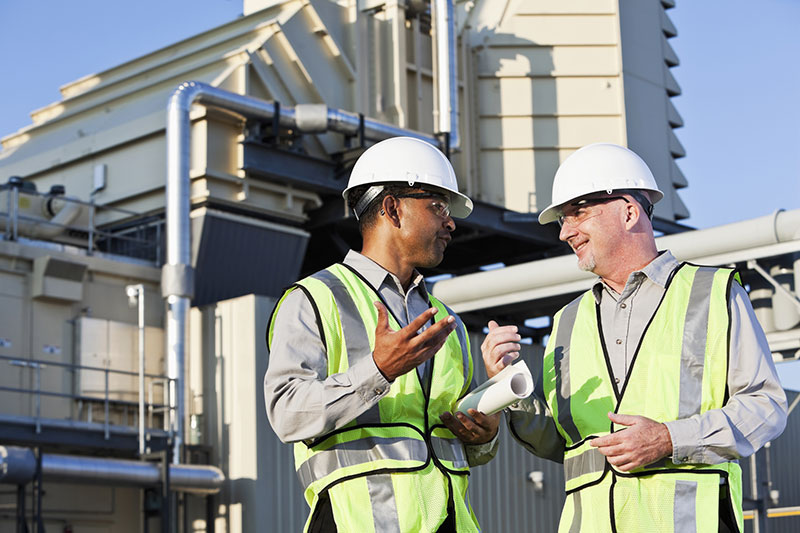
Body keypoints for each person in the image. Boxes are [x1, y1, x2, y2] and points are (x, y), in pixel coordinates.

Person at [481, 143, 787, 532]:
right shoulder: (567, 321)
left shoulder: (713, 293)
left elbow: (766, 405)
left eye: (578, 213)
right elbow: (561, 443)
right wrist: (509, 385)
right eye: (563, 219)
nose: (565, 232)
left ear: (628, 212)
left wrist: (668, 439)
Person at [265, 136, 500, 533]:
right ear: (393, 209)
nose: (451, 222)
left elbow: (452, 441)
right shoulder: (314, 299)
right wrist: (378, 369)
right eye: (438, 205)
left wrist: (485, 434)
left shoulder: (447, 321)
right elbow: (287, 414)